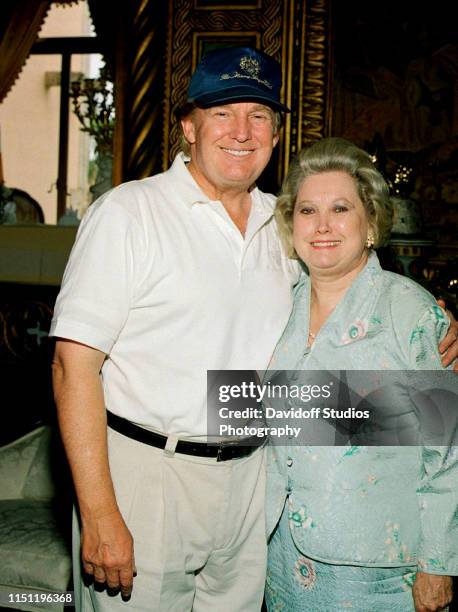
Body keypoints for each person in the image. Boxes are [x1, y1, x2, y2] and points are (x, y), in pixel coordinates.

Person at [50, 47, 458, 611]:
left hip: (252, 490)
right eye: (222, 111)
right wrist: (97, 512)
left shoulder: (283, 226)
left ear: (275, 133)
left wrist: (429, 328)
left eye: (259, 114)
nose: (241, 131)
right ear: (189, 127)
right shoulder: (129, 213)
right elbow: (72, 365)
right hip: (149, 477)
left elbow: (312, 383)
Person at [264, 137, 457, 611]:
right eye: (307, 211)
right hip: (278, 558)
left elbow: (448, 449)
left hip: (378, 571)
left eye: (341, 208)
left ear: (370, 221)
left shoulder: (410, 311)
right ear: (291, 223)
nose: (323, 226)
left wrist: (439, 562)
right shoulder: (275, 307)